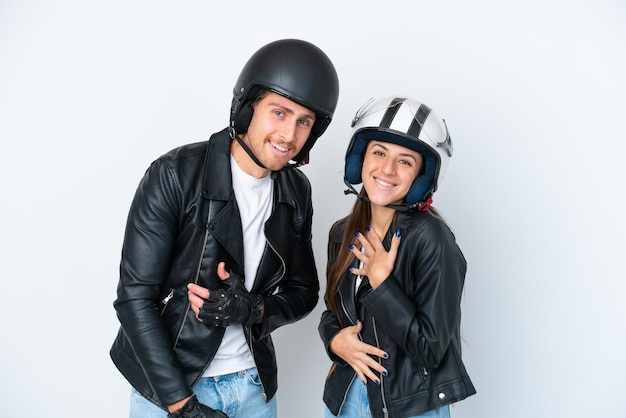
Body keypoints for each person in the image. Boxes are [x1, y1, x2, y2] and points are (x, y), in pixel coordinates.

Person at [110, 38, 339, 418]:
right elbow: (134, 299)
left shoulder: (296, 190)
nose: (288, 135)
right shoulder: (175, 175)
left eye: (304, 122)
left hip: (253, 387)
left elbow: (304, 291)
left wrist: (254, 310)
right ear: (248, 109)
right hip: (170, 391)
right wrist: (182, 407)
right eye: (279, 113)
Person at [319, 96, 476, 418]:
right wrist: (334, 340)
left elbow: (431, 349)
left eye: (405, 161)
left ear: (421, 177)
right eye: (379, 153)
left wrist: (381, 282)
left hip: (411, 406)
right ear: (360, 159)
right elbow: (333, 312)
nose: (387, 169)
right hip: (345, 397)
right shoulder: (342, 233)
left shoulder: (432, 239)